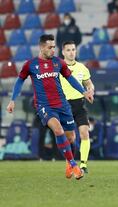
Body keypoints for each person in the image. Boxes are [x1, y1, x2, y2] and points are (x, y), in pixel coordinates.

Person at [6, 34, 94, 180]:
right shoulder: (31, 64)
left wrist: (84, 92)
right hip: (45, 106)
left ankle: (68, 161)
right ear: (41, 47)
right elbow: (20, 80)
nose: (53, 50)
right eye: (50, 47)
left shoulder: (58, 63)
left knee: (71, 137)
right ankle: (74, 164)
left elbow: (70, 78)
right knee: (58, 130)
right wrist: (12, 100)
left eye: (54, 47)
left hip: (63, 104)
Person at [60, 41, 95, 173]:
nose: (71, 52)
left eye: (73, 49)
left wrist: (91, 91)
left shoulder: (82, 68)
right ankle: (70, 162)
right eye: (68, 50)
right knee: (71, 138)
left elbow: (89, 84)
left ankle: (83, 165)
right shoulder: (58, 68)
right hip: (64, 105)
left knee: (84, 132)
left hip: (79, 104)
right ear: (63, 52)